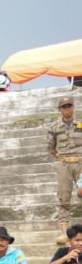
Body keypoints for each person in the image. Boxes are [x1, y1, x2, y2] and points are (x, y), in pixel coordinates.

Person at [47, 96, 82, 244]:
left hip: (81, 162)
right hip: (64, 164)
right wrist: (62, 158)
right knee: (63, 197)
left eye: (69, 106)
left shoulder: (80, 124)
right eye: (64, 106)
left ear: (73, 107)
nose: (67, 108)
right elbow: (50, 148)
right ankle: (64, 232)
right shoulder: (54, 127)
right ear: (60, 109)